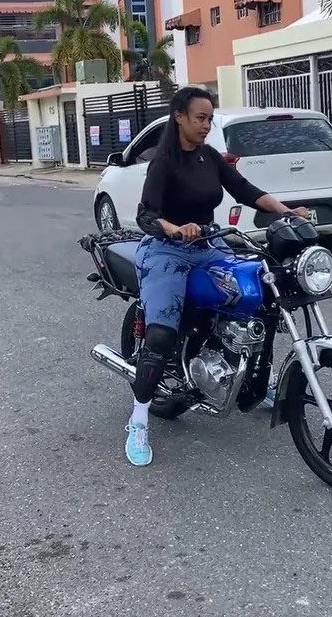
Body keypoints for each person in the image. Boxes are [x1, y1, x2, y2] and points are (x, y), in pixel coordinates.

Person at [124, 86, 307, 467]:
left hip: (208, 245)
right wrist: (175, 229)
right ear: (180, 117)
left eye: (210, 118)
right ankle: (139, 420)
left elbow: (246, 190)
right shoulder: (163, 163)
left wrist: (287, 211)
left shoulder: (210, 157)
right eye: (200, 118)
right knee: (160, 335)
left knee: (259, 295)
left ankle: (255, 379)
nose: (207, 125)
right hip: (166, 251)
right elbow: (146, 215)